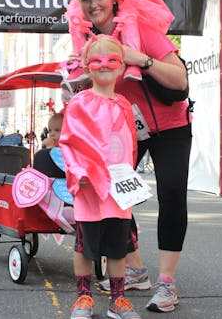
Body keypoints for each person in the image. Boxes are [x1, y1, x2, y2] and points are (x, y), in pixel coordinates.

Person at [67, 0, 191, 313]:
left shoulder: (141, 30)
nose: (94, 5)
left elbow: (179, 81)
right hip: (124, 128)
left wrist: (141, 59)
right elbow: (87, 83)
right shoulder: (84, 39)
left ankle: (166, 282)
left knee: (173, 192)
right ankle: (134, 268)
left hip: (170, 124)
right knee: (111, 190)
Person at [60, 35, 141, 319]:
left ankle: (117, 300)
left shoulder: (125, 105)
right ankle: (83, 297)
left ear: (121, 67)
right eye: (97, 60)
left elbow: (131, 144)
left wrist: (129, 178)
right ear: (86, 65)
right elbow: (68, 142)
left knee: (119, 247)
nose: (104, 65)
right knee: (85, 246)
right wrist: (78, 172)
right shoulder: (80, 103)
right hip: (89, 186)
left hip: (118, 191)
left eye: (112, 60)